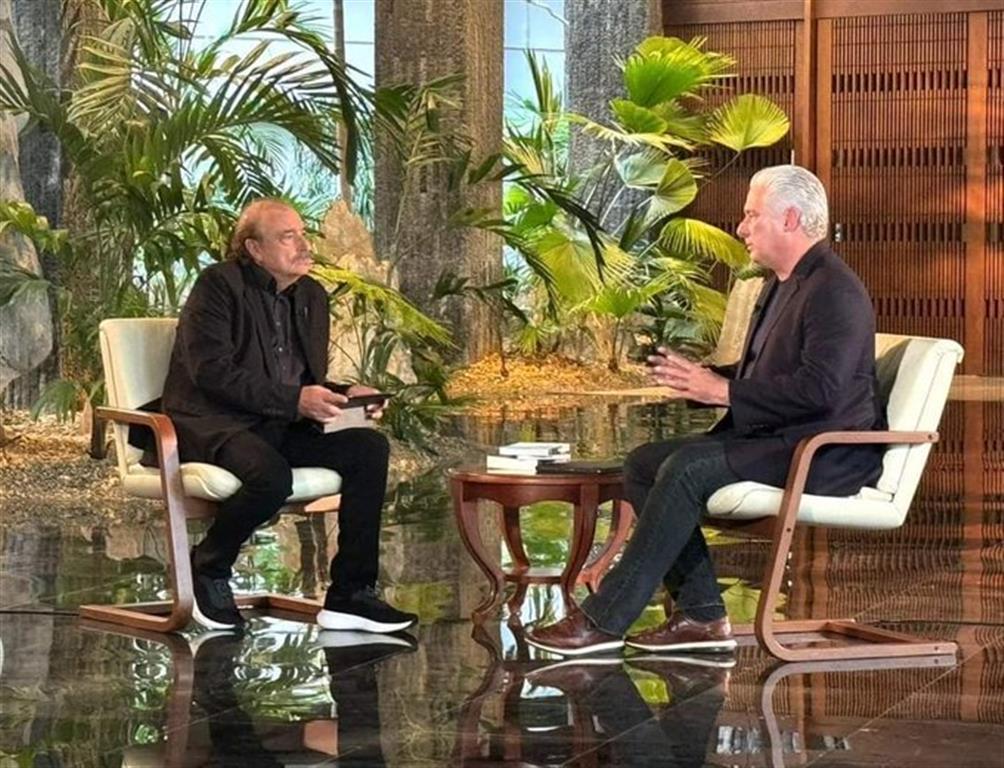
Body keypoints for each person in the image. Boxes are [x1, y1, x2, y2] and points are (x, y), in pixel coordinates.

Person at [526, 165, 885, 657]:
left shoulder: (833, 291)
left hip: (821, 451)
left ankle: (604, 620)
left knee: (687, 469)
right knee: (644, 463)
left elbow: (821, 390)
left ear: (790, 219)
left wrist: (724, 392)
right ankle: (701, 615)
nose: (741, 228)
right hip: (779, 437)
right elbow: (766, 372)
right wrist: (700, 381)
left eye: (752, 215)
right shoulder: (781, 284)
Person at [161, 198, 417, 634]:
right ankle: (208, 565)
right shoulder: (218, 285)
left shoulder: (311, 295)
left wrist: (347, 394)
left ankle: (351, 594)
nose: (303, 245)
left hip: (277, 422)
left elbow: (297, 378)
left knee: (368, 448)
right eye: (287, 237)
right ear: (254, 249)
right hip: (212, 422)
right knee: (271, 476)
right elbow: (212, 372)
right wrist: (295, 400)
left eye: (302, 234)